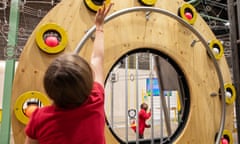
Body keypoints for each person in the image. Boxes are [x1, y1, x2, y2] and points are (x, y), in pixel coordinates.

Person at [24, 3, 113, 144]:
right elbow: (97, 58)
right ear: (88, 84)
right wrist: (99, 27)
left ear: (49, 90)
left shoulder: (39, 118)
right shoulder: (96, 99)